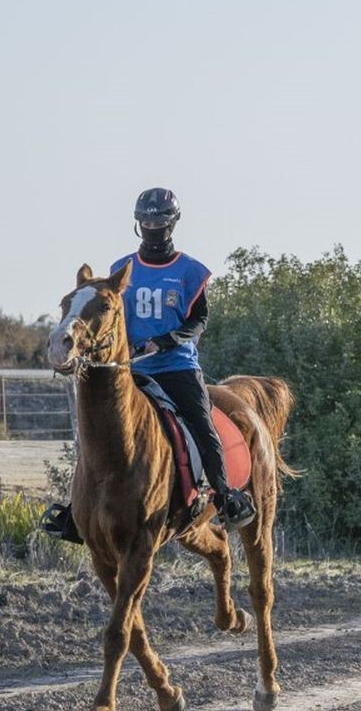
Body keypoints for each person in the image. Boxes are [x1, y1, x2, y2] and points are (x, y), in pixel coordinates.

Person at [42, 188, 256, 542]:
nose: (152, 226)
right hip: (129, 369)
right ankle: (78, 511)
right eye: (146, 220)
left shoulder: (190, 271)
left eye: (159, 220)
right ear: (138, 224)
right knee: (99, 434)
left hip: (176, 367)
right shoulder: (120, 270)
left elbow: (199, 320)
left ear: (172, 223)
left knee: (203, 425)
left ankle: (225, 496)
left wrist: (167, 340)